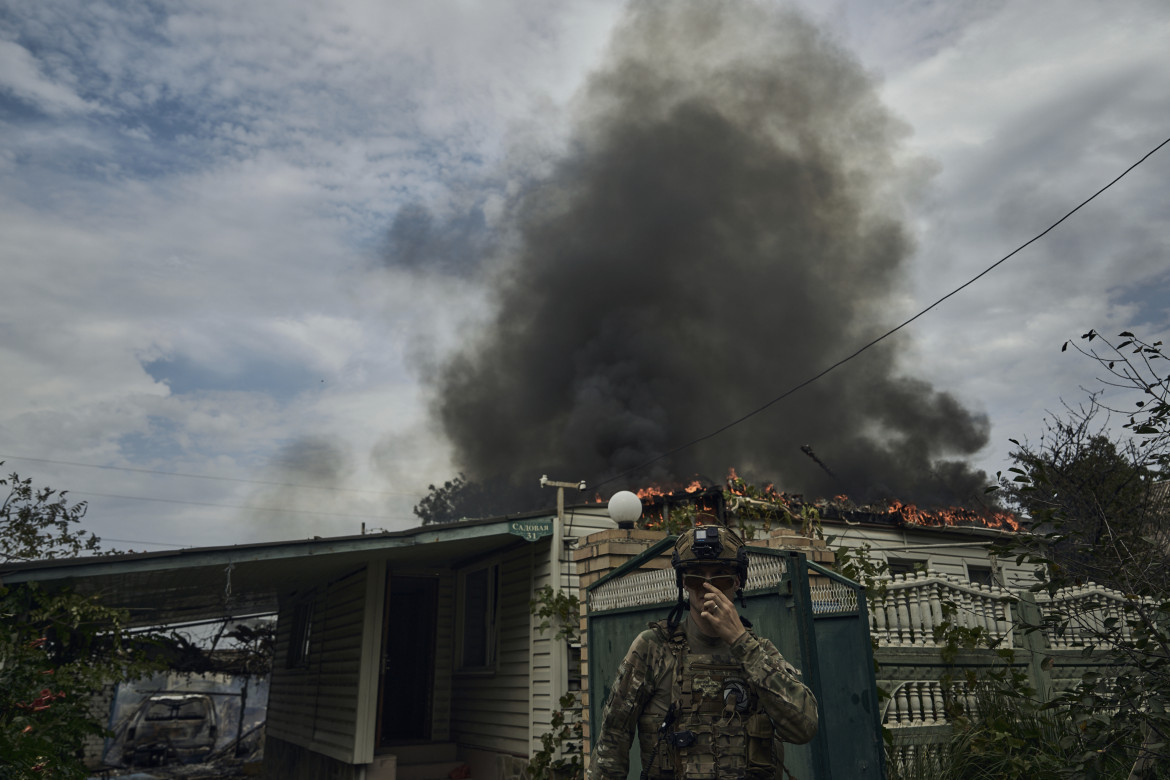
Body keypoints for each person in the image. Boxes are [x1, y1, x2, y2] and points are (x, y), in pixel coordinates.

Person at [589, 522, 818, 780]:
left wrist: (741, 642)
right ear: (684, 584)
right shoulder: (652, 648)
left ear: (738, 582)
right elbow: (613, 738)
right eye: (696, 579)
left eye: (720, 578)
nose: (708, 588)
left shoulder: (759, 653)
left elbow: (804, 728)